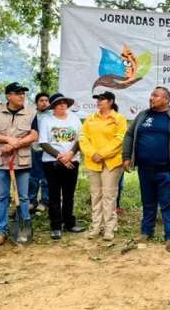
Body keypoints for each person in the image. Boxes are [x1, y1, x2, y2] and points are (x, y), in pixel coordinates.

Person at [122, 87, 170, 253]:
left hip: (168, 169)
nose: (151, 98)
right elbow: (130, 135)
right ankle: (146, 231)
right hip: (145, 169)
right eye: (151, 95)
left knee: (168, 203)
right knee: (148, 202)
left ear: (166, 99)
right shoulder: (142, 115)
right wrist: (126, 157)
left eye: (155, 96)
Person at [0, 82, 39, 246]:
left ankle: (24, 228)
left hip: (22, 162)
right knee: (1, 197)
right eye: (18, 93)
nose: (22, 96)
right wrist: (7, 139)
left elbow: (34, 135)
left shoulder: (31, 112)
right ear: (8, 96)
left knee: (23, 197)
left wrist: (15, 144)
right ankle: (0, 231)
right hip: (0, 161)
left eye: (23, 93)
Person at [79, 91, 127, 241]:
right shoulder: (90, 119)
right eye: (98, 99)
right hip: (93, 162)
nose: (99, 102)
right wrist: (93, 153)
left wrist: (103, 153)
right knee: (96, 195)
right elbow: (82, 138)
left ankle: (109, 228)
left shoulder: (119, 119)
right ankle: (96, 227)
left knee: (109, 196)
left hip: (112, 163)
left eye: (102, 99)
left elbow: (120, 140)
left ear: (111, 101)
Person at [37, 93, 84, 239]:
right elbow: (43, 142)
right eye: (59, 103)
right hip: (52, 163)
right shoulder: (46, 120)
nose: (62, 105)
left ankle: (69, 223)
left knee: (69, 194)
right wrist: (60, 157)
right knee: (54, 195)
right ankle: (56, 226)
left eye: (64, 102)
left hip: (72, 161)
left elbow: (80, 139)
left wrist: (70, 154)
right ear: (53, 106)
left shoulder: (75, 119)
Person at [29, 92, 50, 212]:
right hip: (34, 149)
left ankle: (45, 201)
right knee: (33, 177)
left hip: (48, 150)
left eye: (46, 100)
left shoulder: (52, 115)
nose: (44, 103)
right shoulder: (32, 115)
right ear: (36, 103)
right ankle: (32, 201)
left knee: (46, 178)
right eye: (41, 100)